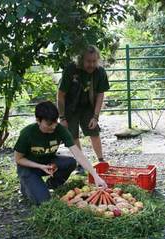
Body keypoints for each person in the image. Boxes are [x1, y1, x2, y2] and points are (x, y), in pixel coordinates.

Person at [14, 101, 107, 205]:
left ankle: (50, 185)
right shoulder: (27, 133)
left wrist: (95, 176)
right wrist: (40, 166)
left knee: (71, 162)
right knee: (44, 202)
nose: (53, 126)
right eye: (49, 124)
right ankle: (28, 184)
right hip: (29, 167)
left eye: (55, 122)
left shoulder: (60, 130)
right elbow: (19, 159)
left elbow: (78, 154)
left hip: (48, 163)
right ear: (38, 120)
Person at [57, 45, 110, 174]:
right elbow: (60, 94)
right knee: (73, 135)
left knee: (94, 131)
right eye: (88, 61)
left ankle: (101, 161)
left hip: (88, 106)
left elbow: (100, 94)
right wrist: (62, 117)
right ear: (81, 60)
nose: (91, 64)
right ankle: (81, 164)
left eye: (94, 61)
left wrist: (96, 116)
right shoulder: (71, 69)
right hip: (70, 106)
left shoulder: (100, 72)